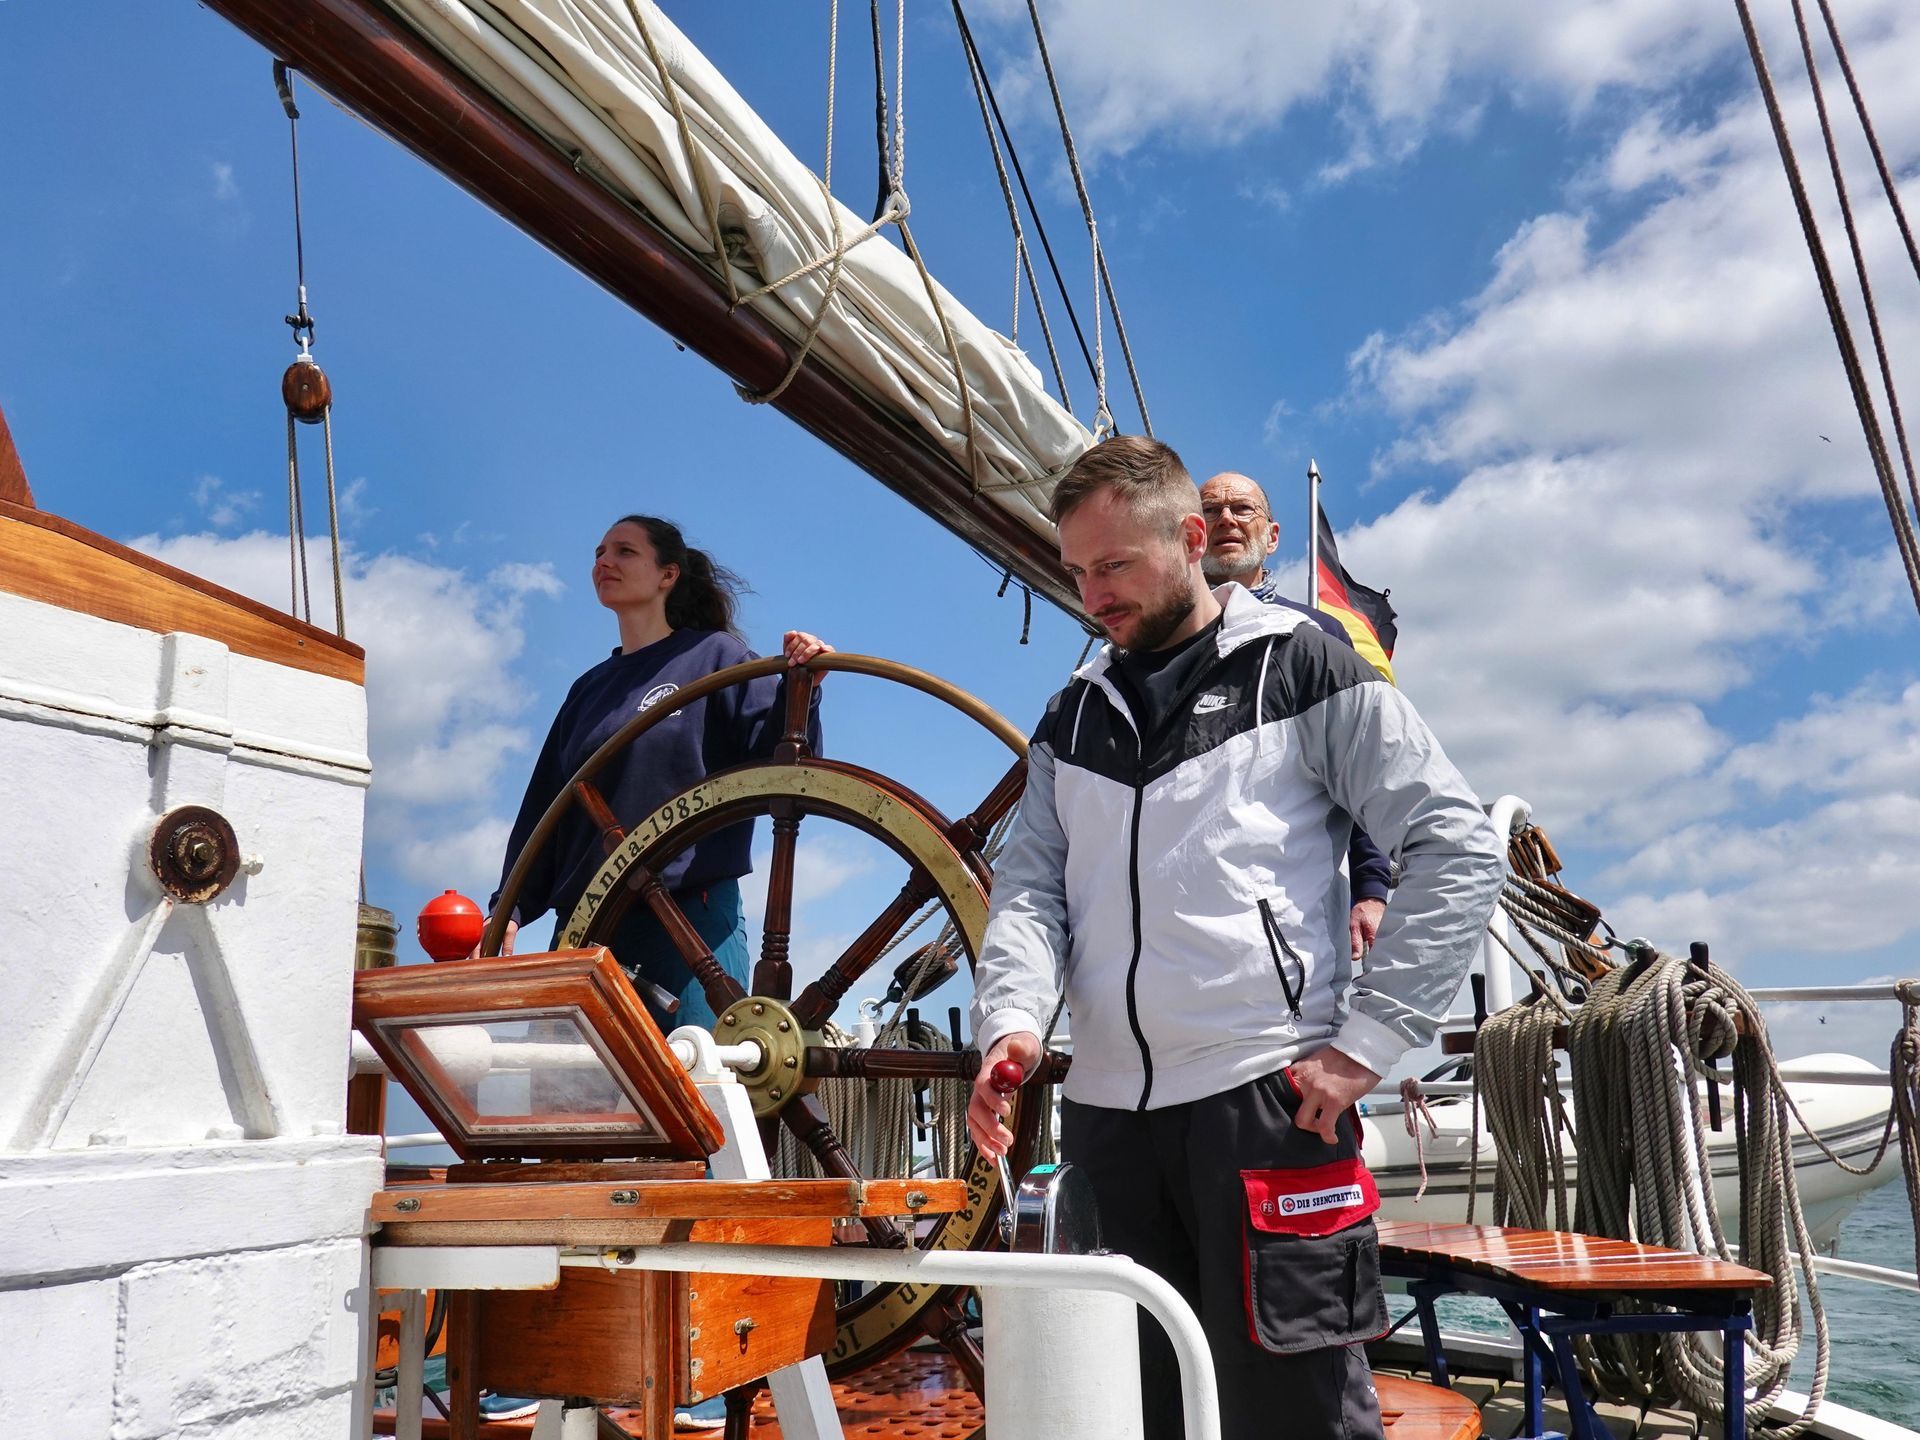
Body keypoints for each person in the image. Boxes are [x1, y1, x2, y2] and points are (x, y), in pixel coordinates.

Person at [967, 437, 1502, 1440]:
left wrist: (1370, 1043)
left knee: (1294, 1417)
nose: (1093, 595)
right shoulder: (1071, 718)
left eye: (1115, 565)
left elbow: (1456, 843)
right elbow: (1032, 889)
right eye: (1077, 572)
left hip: (1267, 1104)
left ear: (1190, 539)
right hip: (1108, 1121)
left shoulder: (1303, 667)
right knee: (1131, 1412)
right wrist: (1012, 1025)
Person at [486, 514, 831, 1034]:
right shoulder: (587, 690)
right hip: (584, 926)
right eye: (599, 553)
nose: (604, 562)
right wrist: (508, 908)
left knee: (698, 1075)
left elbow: (787, 764)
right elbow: (546, 811)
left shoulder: (714, 656)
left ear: (668, 574)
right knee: (564, 1083)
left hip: (688, 921)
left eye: (624, 551)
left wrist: (803, 688)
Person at [1200, 469, 1391, 960]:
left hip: (1290, 923)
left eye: (1242, 509)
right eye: (1210, 510)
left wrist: (1371, 886)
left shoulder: (1317, 634)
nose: (1226, 519)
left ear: (1272, 537)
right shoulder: (1156, 645)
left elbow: (1362, 762)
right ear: (1192, 536)